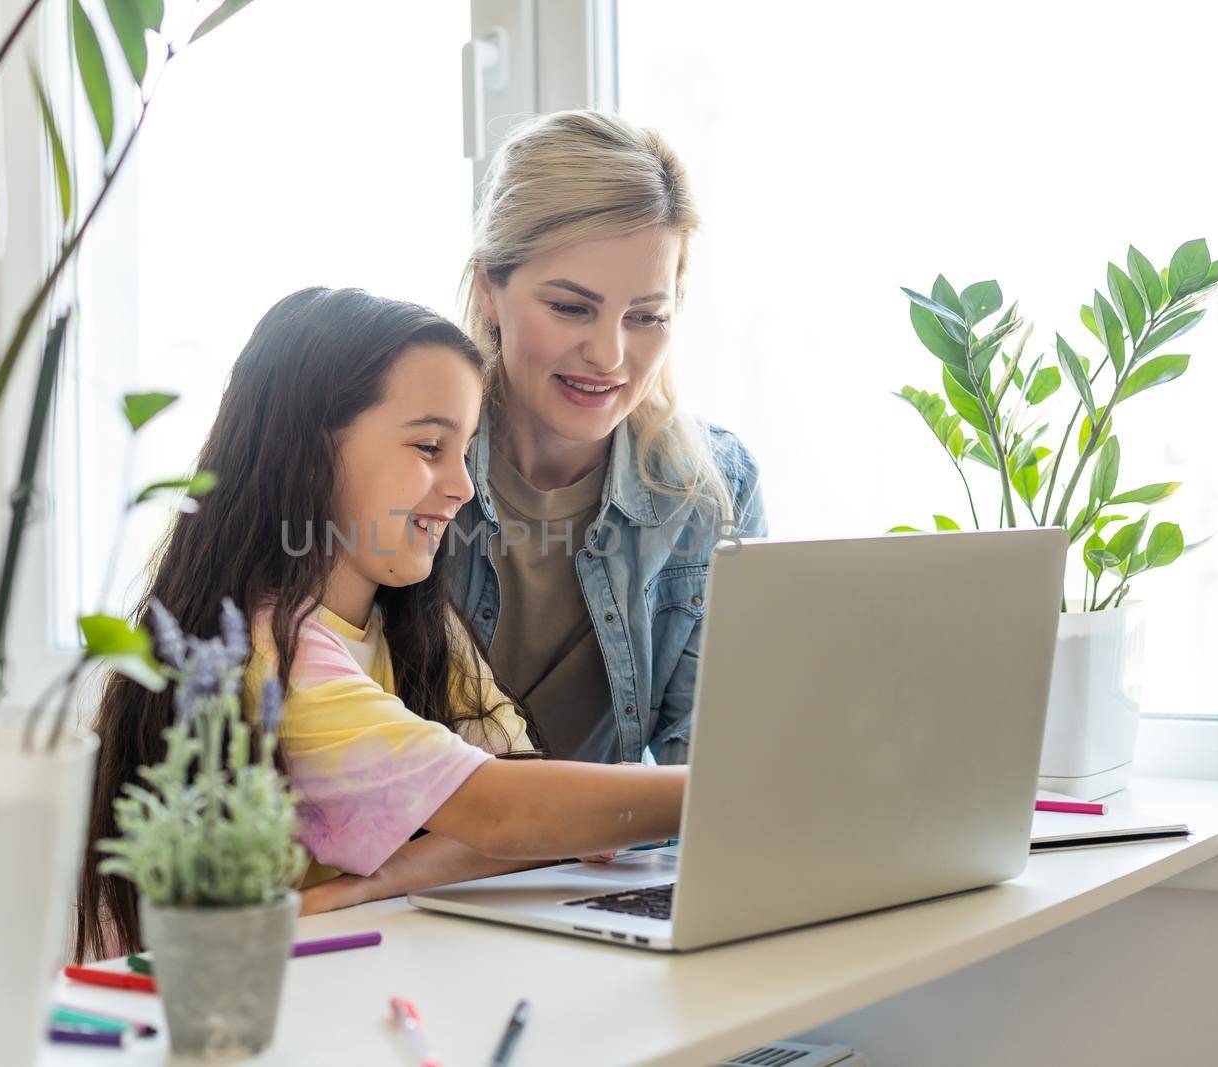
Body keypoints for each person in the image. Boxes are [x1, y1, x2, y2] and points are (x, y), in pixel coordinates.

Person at [75, 287, 689, 961]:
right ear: (306, 451)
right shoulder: (268, 658)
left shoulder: (415, 625)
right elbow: (503, 812)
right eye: (429, 445)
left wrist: (386, 878)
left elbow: (530, 818)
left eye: (465, 450)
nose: (462, 486)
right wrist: (716, 785)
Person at [454, 109, 768, 767]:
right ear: (489, 288)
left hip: (616, 861)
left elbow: (715, 765)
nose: (609, 354)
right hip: (422, 864)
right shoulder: (406, 463)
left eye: (646, 316)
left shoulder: (714, 487)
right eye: (571, 307)